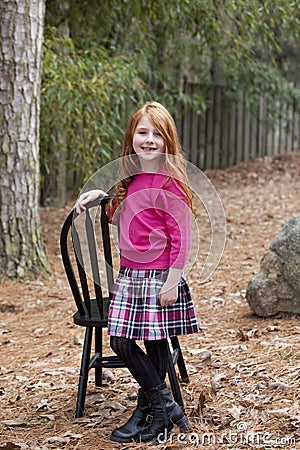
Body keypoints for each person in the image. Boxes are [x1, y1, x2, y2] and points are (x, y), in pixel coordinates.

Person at [75, 101, 200, 443]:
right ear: (131, 137)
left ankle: (154, 411)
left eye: (156, 134)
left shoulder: (169, 183)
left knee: (147, 342)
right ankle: (165, 406)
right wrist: (101, 197)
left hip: (159, 275)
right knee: (123, 340)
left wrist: (173, 279)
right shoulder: (131, 180)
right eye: (142, 132)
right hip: (131, 275)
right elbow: (128, 216)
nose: (148, 139)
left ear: (167, 141)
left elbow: (182, 236)